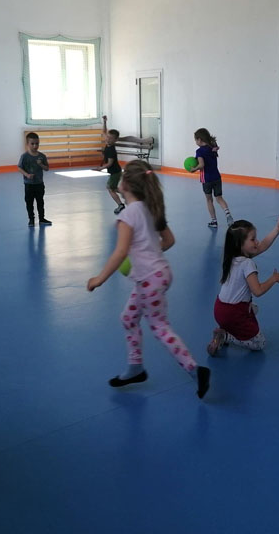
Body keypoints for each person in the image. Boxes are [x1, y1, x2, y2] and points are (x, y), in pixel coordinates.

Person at [87, 160, 211, 399]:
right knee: (128, 318)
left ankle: (195, 370)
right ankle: (136, 367)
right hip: (157, 275)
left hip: (149, 280)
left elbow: (120, 252)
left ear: (125, 184)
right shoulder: (150, 208)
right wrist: (149, 253)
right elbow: (169, 241)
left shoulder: (128, 215)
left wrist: (99, 279)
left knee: (160, 327)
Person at [206, 216, 279, 356]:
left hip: (219, 310)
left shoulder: (230, 258)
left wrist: (277, 229)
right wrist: (273, 279)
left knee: (254, 308)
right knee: (260, 343)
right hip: (233, 314)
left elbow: (262, 245)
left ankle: (225, 328)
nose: (257, 242)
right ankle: (226, 336)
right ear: (240, 244)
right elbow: (257, 291)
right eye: (253, 239)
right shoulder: (247, 264)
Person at [189, 128, 234, 228]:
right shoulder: (212, 147)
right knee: (219, 198)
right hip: (217, 177)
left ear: (199, 139)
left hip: (207, 179)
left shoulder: (199, 151)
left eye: (195, 140)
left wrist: (194, 169)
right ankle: (228, 214)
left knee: (209, 200)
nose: (195, 142)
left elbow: (201, 165)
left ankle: (214, 221)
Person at [18, 132, 51, 227]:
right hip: (29, 184)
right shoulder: (24, 156)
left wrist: (41, 164)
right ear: (27, 144)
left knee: (40, 202)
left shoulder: (42, 156)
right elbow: (19, 168)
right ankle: (31, 219)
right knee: (29, 202)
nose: (35, 146)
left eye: (37, 143)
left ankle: (42, 219)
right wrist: (27, 175)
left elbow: (47, 168)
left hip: (39, 184)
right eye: (32, 144)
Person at [93, 115, 126, 214]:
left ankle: (120, 205)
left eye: (111, 138)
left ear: (115, 140)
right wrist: (105, 122)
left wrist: (100, 168)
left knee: (110, 188)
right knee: (114, 188)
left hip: (115, 172)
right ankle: (130, 195)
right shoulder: (108, 143)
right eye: (107, 137)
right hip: (115, 172)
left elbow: (110, 163)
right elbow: (104, 131)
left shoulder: (111, 149)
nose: (108, 139)